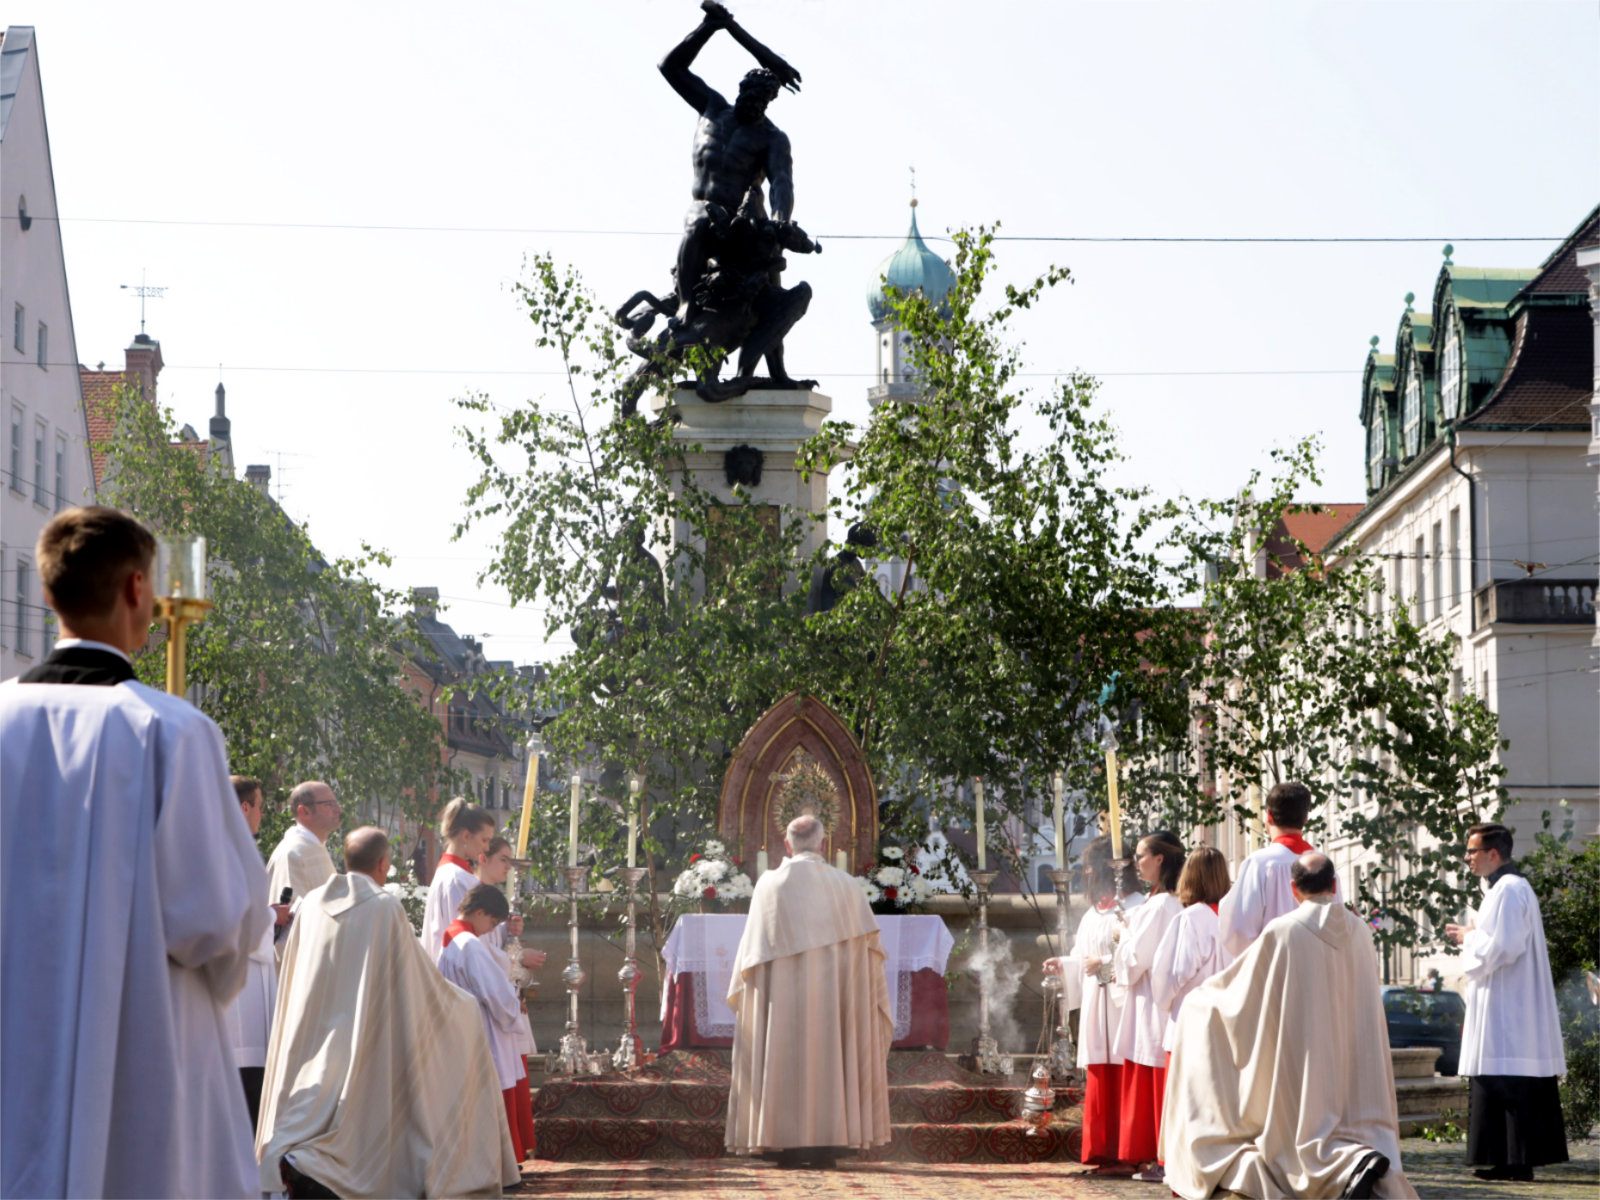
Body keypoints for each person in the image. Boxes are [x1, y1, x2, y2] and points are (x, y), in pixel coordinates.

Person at [1, 505, 271, 1198]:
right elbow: (215, 918)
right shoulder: (170, 730)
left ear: (49, 593)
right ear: (135, 590)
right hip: (139, 1044)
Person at [256, 827, 519, 1199]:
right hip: (365, 1031)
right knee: (463, 1020)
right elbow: (414, 978)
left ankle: (299, 1162)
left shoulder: (311, 903)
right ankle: (334, 1164)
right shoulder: (383, 906)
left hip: (314, 1034)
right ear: (383, 864)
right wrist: (461, 1004)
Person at [1162, 853, 1416, 1200]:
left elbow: (1239, 994)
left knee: (1300, 1135)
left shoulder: (1284, 930)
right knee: (1350, 1120)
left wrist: (1198, 1002)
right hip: (1353, 1056)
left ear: (1294, 889)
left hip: (1306, 1055)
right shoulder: (1360, 932)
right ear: (1335, 885)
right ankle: (1356, 1156)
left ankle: (1336, 1167)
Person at [725, 814, 892, 1168]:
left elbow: (749, 964)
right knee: (832, 1048)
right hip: (833, 1004)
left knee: (781, 1048)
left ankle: (777, 1137)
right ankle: (833, 1137)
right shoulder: (847, 886)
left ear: (787, 845)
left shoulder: (769, 886)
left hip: (780, 1005)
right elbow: (867, 960)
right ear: (823, 845)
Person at [658, 1, 803, 330]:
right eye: (751, 95)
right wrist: (709, 28)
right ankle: (686, 306)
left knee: (771, 284)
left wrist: (782, 220)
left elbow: (782, 183)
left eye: (764, 99)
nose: (756, 103)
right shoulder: (712, 108)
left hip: (745, 222)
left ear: (770, 102)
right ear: (740, 90)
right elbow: (671, 68)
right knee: (696, 221)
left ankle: (772, 360)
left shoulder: (771, 138)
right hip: (706, 213)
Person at [1445, 822, 1568, 1182]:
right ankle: (1509, 1161)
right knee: (1505, 1081)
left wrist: (1469, 937)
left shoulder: (1510, 890)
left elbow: (1505, 946)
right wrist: (1474, 935)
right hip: (1505, 1003)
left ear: (1493, 854)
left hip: (1509, 1008)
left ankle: (1515, 1162)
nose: (1467, 857)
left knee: (1508, 1081)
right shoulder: (1503, 890)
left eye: (1472, 851)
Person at [1043, 835, 1144, 1166]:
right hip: (1097, 1007)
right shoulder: (1093, 913)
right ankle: (1101, 1149)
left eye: (1091, 866)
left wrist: (1101, 964)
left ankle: (1127, 1151)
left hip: (1122, 1007)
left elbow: (1137, 958)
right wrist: (1065, 963)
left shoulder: (1136, 907)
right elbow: (1081, 958)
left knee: (1124, 1076)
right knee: (1100, 1073)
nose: (1087, 873)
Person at [438, 884, 531, 1162]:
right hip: (486, 1031)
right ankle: (498, 1165)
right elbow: (497, 996)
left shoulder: (454, 941)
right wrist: (516, 1007)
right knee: (493, 1099)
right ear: (478, 912)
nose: (492, 930)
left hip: (466, 1029)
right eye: (492, 922)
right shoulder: (471, 946)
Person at [1112, 830, 1185, 1180]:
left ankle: (1161, 1158)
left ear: (1160, 859)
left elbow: (1136, 957)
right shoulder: (1166, 901)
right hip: (1153, 999)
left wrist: (1120, 939)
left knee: (1156, 1080)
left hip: (1154, 1003)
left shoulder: (1162, 905)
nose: (1135, 862)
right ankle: (1157, 1157)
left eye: (1142, 855)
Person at [224, 775, 292, 1133]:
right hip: (239, 994)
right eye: (261, 807)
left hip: (250, 979)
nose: (263, 815)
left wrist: (271, 918)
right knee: (246, 1094)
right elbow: (226, 918)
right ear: (243, 807)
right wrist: (271, 916)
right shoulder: (226, 851)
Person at [476, 836, 546, 1158]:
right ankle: (505, 1155)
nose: (509, 867)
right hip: (488, 1003)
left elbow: (493, 943)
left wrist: (509, 933)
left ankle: (514, 1151)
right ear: (483, 858)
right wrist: (518, 958)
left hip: (502, 993)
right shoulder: (473, 894)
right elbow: (480, 953)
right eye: (504, 860)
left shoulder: (490, 898)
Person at [1218, 780, 1339, 958]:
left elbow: (1238, 932)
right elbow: (1336, 923)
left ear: (1269, 816)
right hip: (1318, 968)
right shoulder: (1325, 865)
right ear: (1305, 819)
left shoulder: (1259, 864)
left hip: (1274, 970)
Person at [1149, 846, 1233, 1058]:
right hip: (1226, 1020)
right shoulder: (1233, 917)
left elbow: (1178, 971)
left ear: (1189, 877)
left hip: (1192, 1019)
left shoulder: (1191, 918)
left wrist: (1165, 1002)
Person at [421, 796, 497, 962]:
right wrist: (516, 959)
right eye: (484, 840)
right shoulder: (457, 879)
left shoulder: (451, 874)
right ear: (466, 836)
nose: (487, 847)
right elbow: (468, 942)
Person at [265, 780, 339, 926]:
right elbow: (289, 924)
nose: (339, 810)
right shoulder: (293, 854)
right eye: (329, 804)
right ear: (304, 811)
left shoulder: (315, 847)